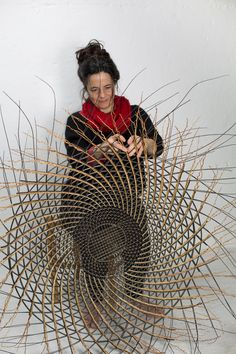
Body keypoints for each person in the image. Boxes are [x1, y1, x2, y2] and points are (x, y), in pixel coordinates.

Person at [63, 40, 164, 326]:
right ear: (85, 89)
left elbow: (159, 147)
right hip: (84, 198)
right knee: (98, 239)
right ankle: (94, 301)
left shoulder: (135, 115)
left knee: (140, 237)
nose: (102, 95)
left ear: (116, 83)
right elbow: (76, 157)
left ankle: (134, 295)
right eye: (94, 90)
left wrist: (146, 143)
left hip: (126, 197)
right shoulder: (77, 122)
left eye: (107, 87)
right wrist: (99, 150)